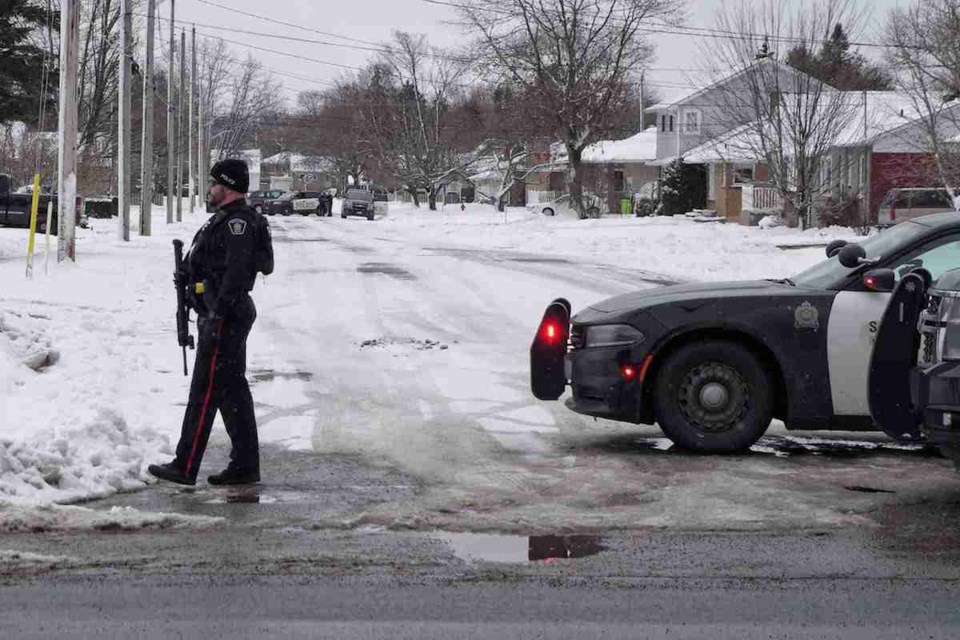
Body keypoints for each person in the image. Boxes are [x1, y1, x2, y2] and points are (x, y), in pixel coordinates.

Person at [149, 159, 269, 486]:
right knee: (232, 392)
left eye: (214, 184)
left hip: (225, 316)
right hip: (220, 313)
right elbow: (213, 263)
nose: (209, 189)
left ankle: (185, 465)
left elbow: (237, 273)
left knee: (204, 392)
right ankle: (244, 465)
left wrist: (216, 316)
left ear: (227, 188)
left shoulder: (237, 223)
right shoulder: (223, 219)